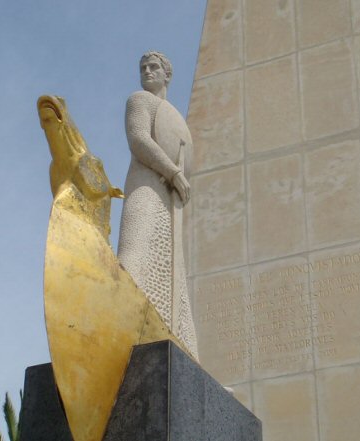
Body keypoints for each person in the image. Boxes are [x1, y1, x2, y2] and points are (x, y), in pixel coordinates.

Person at [117, 51, 197, 358]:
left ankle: (187, 357)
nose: (147, 71)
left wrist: (177, 178)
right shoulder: (139, 100)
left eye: (154, 67)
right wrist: (174, 172)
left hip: (168, 197)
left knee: (173, 278)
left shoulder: (171, 112)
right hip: (146, 187)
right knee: (132, 258)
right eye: (143, 68)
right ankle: (118, 328)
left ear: (167, 75)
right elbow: (138, 140)